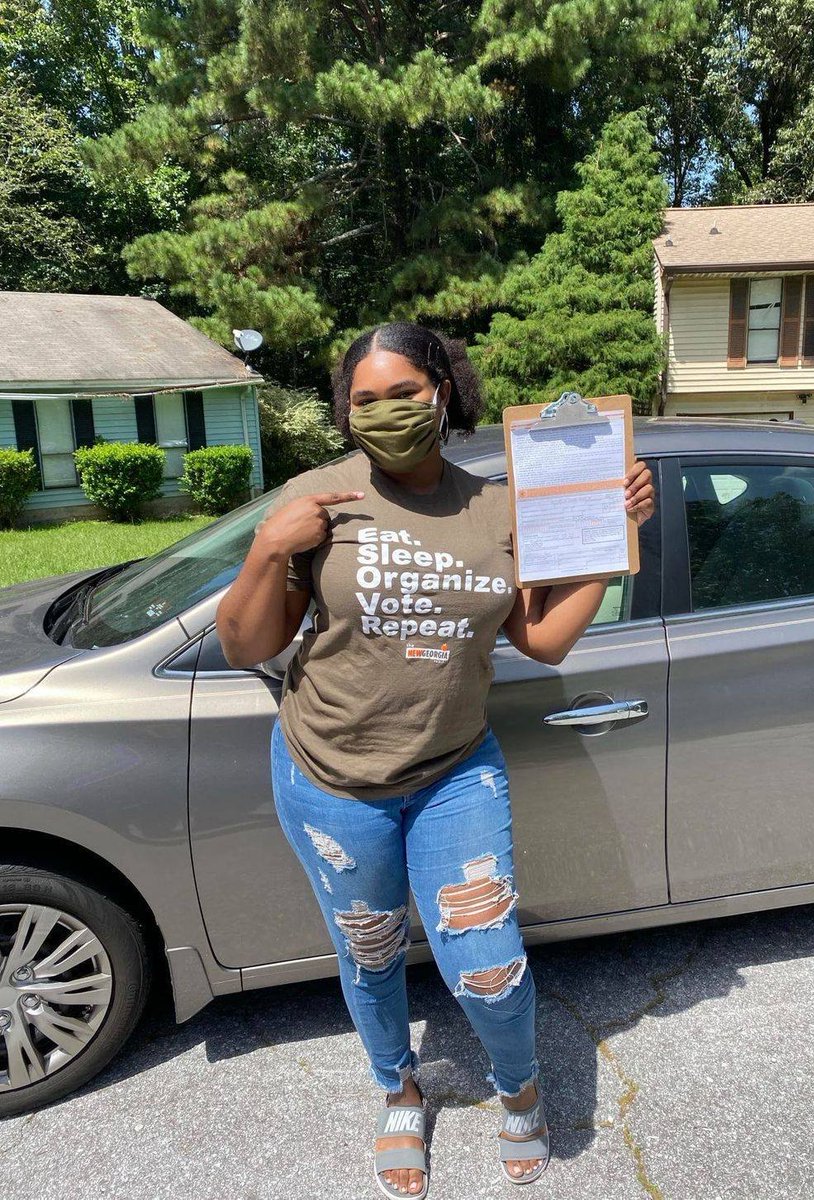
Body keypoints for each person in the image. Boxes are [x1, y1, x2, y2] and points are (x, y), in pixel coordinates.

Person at [216, 322, 655, 1197]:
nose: (384, 412)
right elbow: (245, 644)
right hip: (330, 777)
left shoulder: (498, 508)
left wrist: (604, 541)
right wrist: (270, 546)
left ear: (443, 391)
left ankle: (519, 1090)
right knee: (370, 953)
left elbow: (544, 641)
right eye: (364, 400)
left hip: (455, 769)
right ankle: (399, 1090)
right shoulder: (319, 500)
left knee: (488, 965)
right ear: (346, 411)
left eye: (404, 393)